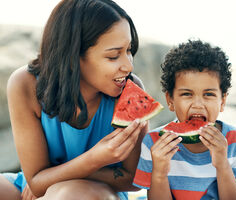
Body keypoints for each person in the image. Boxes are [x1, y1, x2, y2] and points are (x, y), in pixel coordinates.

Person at [0, 0, 148, 199]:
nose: (128, 66)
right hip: (32, 187)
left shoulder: (131, 91)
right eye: (114, 56)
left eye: (129, 50)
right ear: (73, 55)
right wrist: (93, 159)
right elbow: (34, 182)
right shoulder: (24, 84)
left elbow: (132, 180)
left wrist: (56, 177)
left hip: (96, 191)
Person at [133, 40, 236, 200]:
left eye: (208, 94)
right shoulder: (154, 143)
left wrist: (222, 165)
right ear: (170, 100)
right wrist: (159, 173)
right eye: (187, 94)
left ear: (222, 101)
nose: (198, 104)